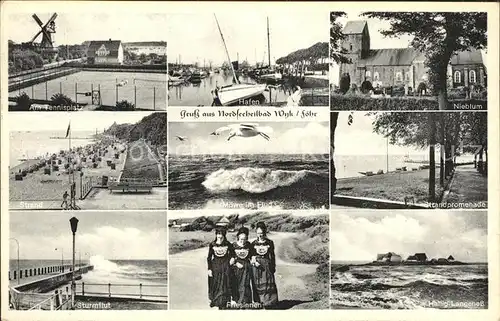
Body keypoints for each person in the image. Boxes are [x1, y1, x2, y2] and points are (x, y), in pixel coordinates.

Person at [251, 222, 278, 309]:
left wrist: (273, 266)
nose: (260, 235)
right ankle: (258, 301)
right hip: (257, 266)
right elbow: (251, 256)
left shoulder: (270, 242)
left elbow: (272, 256)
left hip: (266, 265)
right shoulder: (253, 243)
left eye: (261, 233)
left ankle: (268, 302)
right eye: (258, 233)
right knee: (257, 283)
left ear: (264, 232)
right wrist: (254, 261)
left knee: (267, 283)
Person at [207, 226, 235, 309]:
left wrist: (232, 259)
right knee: (216, 284)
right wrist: (209, 269)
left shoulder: (228, 244)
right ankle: (216, 301)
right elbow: (209, 258)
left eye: (221, 234)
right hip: (215, 267)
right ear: (216, 235)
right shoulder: (212, 244)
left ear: (224, 235)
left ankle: (224, 302)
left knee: (225, 284)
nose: (220, 236)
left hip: (225, 266)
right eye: (218, 234)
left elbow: (233, 254)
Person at [231, 227, 255, 308]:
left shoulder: (249, 245)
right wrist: (235, 262)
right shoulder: (233, 245)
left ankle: (245, 301)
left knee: (245, 285)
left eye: (244, 239)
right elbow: (230, 257)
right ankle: (236, 300)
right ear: (238, 237)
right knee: (236, 284)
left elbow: (252, 255)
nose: (243, 241)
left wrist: (253, 259)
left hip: (246, 267)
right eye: (241, 239)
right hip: (236, 268)